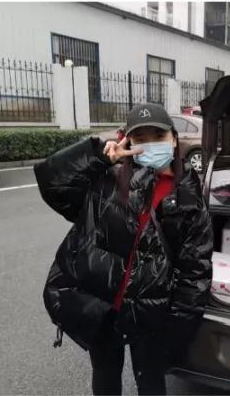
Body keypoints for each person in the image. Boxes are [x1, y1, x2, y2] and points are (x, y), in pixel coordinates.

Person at [34, 103, 213, 395]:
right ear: (128, 142)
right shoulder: (108, 178)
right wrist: (97, 155)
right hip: (103, 307)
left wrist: (177, 330)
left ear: (173, 139)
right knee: (105, 376)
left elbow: (195, 270)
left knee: (151, 383)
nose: (150, 144)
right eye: (141, 138)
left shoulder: (188, 195)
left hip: (152, 313)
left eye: (158, 136)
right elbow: (53, 183)